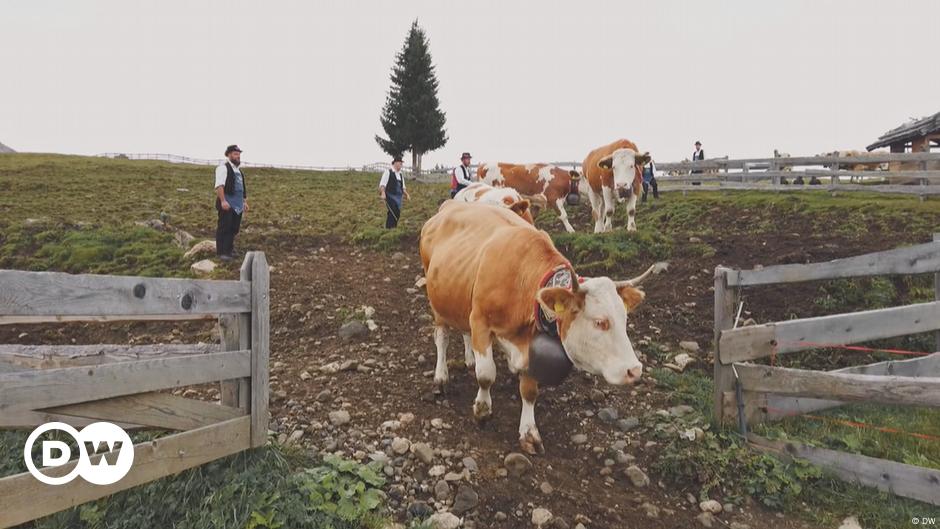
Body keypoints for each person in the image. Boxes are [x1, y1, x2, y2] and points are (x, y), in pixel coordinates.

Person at [214, 144, 248, 262]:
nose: (238, 156)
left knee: (234, 228)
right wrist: (223, 201)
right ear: (229, 155)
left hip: (237, 205)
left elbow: (241, 188)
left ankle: (229, 249)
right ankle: (222, 252)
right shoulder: (223, 168)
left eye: (239, 154)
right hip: (227, 204)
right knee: (225, 227)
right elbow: (219, 185)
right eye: (235, 154)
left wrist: (244, 202)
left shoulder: (239, 171)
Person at [379, 157, 410, 228]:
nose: (401, 165)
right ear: (395, 163)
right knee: (392, 212)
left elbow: (403, 187)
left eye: (402, 163)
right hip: (390, 196)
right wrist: (383, 193)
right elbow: (382, 184)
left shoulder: (400, 175)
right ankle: (388, 229)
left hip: (398, 198)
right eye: (400, 163)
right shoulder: (388, 172)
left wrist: (406, 194)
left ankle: (394, 228)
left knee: (397, 213)